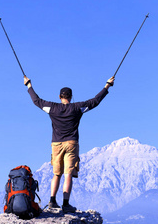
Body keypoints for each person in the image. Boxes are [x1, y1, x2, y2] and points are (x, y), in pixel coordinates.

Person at [24, 75, 115, 213]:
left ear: (59, 96)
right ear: (71, 97)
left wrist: (29, 85)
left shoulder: (52, 108)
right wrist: (107, 85)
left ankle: (52, 201)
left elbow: (36, 101)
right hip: (71, 144)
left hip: (56, 144)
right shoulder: (77, 108)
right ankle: (66, 204)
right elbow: (95, 101)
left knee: (56, 174)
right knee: (68, 174)